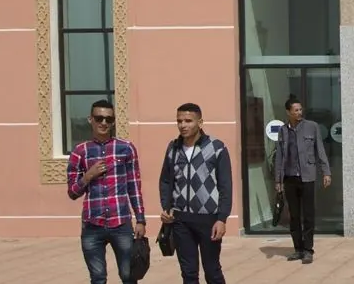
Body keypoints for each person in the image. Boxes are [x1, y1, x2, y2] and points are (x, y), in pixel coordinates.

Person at [67, 98, 146, 284]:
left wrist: (140, 220)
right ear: (90, 120)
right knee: (98, 278)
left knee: (128, 276)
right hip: (92, 225)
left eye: (108, 119)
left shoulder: (126, 148)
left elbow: (134, 186)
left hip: (121, 224)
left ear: (113, 122)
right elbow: (72, 192)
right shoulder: (80, 152)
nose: (103, 123)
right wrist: (88, 176)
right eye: (99, 118)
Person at [158, 102, 232, 284]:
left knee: (212, 271)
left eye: (188, 120)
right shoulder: (173, 148)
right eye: (179, 121)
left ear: (200, 122)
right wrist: (166, 207)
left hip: (209, 219)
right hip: (181, 220)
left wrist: (222, 218)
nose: (183, 125)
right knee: (189, 273)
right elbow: (166, 181)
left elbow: (225, 186)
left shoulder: (217, 147)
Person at [273, 96, 331, 264]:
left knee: (308, 215)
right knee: (294, 216)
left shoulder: (311, 127)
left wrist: (326, 172)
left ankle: (308, 250)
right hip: (289, 178)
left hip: (307, 177)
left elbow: (320, 149)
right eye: (295, 110)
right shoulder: (282, 131)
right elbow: (279, 157)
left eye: (300, 109)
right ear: (288, 112)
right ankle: (297, 249)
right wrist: (278, 180)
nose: (299, 112)